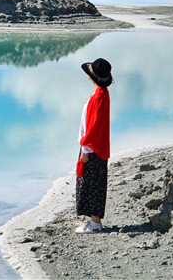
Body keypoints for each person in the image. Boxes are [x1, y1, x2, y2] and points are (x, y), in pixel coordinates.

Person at [75, 58, 112, 233]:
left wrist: (85, 149)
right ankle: (93, 222)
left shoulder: (99, 97)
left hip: (93, 148)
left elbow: (94, 126)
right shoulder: (101, 94)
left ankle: (95, 224)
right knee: (93, 183)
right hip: (96, 146)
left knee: (92, 184)